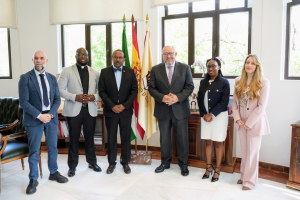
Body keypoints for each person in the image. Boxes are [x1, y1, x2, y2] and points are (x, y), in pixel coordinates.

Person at [18, 51, 68, 195]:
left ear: (46, 60)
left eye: (41, 58)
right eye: (36, 58)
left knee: (53, 147)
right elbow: (23, 102)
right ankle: (33, 179)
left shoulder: (52, 78)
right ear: (32, 60)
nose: (39, 61)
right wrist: (40, 115)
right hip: (34, 119)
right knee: (34, 150)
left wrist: (50, 114)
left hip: (51, 119)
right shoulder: (25, 78)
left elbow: (57, 99)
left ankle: (53, 172)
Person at [148, 45, 194, 176]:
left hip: (180, 109)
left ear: (176, 53)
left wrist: (177, 98)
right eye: (166, 54)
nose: (168, 56)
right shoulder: (156, 69)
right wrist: (163, 97)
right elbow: (151, 88)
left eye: (171, 53)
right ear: (163, 55)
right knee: (164, 139)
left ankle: (183, 165)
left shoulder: (185, 68)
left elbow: (189, 86)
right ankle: (165, 163)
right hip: (163, 109)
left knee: (182, 138)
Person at [58, 48, 101, 177]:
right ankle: (72, 166)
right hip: (73, 110)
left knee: (89, 138)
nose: (83, 56)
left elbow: (101, 90)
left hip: (90, 110)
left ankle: (92, 162)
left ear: (87, 56)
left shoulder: (95, 72)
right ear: (76, 56)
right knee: (74, 139)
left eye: (85, 54)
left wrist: (94, 97)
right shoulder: (67, 71)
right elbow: (59, 89)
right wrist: (74, 97)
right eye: (80, 54)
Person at [232, 54, 270, 190]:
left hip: (254, 123)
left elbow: (261, 107)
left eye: (252, 63)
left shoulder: (264, 82)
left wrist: (249, 123)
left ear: (257, 66)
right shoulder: (238, 81)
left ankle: (250, 182)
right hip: (241, 122)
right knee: (245, 151)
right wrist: (237, 119)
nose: (249, 65)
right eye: (247, 62)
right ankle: (243, 176)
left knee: (253, 152)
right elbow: (234, 104)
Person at [98, 49, 138, 174]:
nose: (118, 59)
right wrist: (112, 106)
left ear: (124, 59)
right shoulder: (104, 72)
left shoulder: (130, 72)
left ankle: (125, 162)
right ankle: (111, 163)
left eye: (120, 57)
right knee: (111, 138)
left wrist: (124, 106)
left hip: (125, 111)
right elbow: (102, 91)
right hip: (111, 111)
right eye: (115, 57)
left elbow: (134, 91)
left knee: (125, 138)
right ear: (112, 57)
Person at [197, 57, 230, 182]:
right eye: (209, 66)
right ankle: (208, 167)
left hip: (219, 116)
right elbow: (200, 99)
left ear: (219, 67)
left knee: (218, 142)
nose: (211, 69)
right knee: (208, 142)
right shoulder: (203, 82)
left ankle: (217, 169)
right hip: (205, 117)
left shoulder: (224, 82)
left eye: (213, 66)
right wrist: (205, 114)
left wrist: (212, 114)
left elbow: (224, 102)